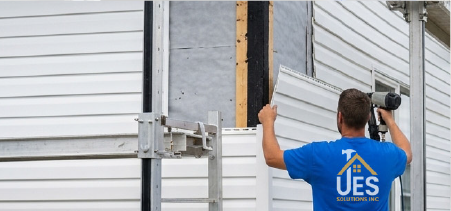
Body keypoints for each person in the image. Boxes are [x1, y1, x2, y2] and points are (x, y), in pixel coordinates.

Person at [258, 88, 412, 211]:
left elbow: (272, 157)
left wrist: (268, 121)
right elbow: (407, 153)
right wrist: (389, 120)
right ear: (367, 119)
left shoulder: (318, 154)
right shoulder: (387, 155)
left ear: (340, 117)